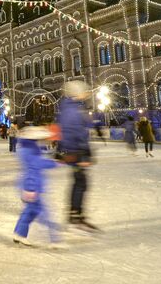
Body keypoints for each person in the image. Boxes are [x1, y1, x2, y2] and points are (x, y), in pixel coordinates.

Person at [57, 80, 100, 232]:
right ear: (77, 93)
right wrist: (82, 154)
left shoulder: (72, 108)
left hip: (73, 151)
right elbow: (73, 133)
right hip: (75, 152)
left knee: (79, 183)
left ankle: (75, 214)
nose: (87, 94)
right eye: (84, 91)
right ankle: (75, 216)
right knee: (80, 183)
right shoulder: (72, 111)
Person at [13, 126, 62, 247]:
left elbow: (40, 155)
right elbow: (38, 164)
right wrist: (56, 163)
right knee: (45, 213)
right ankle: (55, 241)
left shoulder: (28, 147)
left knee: (30, 211)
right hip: (32, 185)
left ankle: (19, 233)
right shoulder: (30, 150)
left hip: (30, 184)